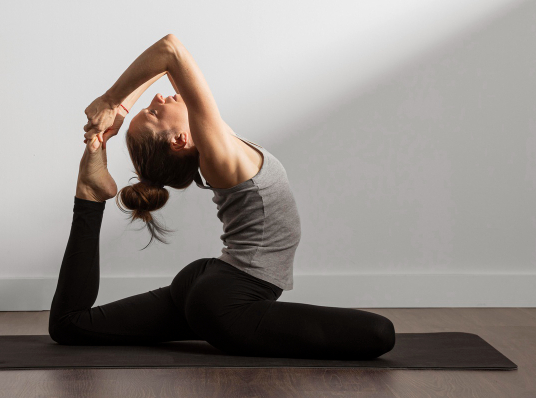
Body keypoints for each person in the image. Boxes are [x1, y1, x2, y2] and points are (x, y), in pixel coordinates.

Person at [48, 34, 395, 360]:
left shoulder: (217, 143)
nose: (157, 98)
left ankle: (90, 194)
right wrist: (111, 102)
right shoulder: (218, 154)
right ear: (180, 140)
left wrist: (120, 110)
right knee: (381, 333)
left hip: (210, 284)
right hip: (228, 303)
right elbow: (170, 50)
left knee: (71, 325)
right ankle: (90, 190)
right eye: (153, 113)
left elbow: (168, 67)